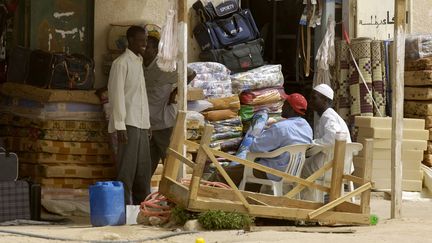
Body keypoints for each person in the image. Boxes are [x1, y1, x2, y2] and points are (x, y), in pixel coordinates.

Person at [213, 93, 313, 191]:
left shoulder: (281, 127)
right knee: (249, 172)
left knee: (222, 173)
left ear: (291, 108)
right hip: (292, 172)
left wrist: (258, 133)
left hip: (272, 171)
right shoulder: (307, 128)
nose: (282, 106)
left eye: (285, 104)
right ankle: (245, 198)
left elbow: (254, 147)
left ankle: (208, 196)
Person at [107, 25, 151, 205]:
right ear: (131, 40)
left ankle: (141, 209)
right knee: (126, 170)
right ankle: (123, 210)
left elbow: (141, 97)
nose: (145, 44)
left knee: (143, 171)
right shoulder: (121, 63)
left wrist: (147, 124)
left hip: (141, 124)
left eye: (146, 40)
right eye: (141, 40)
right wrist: (120, 125)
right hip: (128, 124)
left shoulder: (139, 62)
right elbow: (116, 95)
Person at [142, 32, 196, 176]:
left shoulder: (165, 66)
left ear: (155, 50)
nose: (143, 50)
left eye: (147, 47)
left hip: (165, 124)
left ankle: (172, 196)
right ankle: (144, 197)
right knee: (146, 167)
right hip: (148, 125)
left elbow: (191, 73)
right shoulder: (140, 66)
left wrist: (175, 92)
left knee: (170, 165)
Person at [301, 83, 352, 201]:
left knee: (299, 167)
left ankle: (309, 204)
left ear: (324, 100)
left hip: (331, 165)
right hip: (342, 164)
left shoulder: (328, 117)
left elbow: (334, 137)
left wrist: (311, 144)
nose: (310, 101)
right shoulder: (329, 116)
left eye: (314, 98)